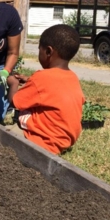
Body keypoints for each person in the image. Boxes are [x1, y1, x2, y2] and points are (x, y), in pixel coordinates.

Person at [7, 24, 85, 155]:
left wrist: (13, 84)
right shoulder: (72, 77)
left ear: (48, 51)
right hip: (63, 140)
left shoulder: (41, 77)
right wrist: (30, 80)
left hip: (41, 142)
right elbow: (51, 88)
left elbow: (13, 102)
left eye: (39, 49)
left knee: (0, 134)